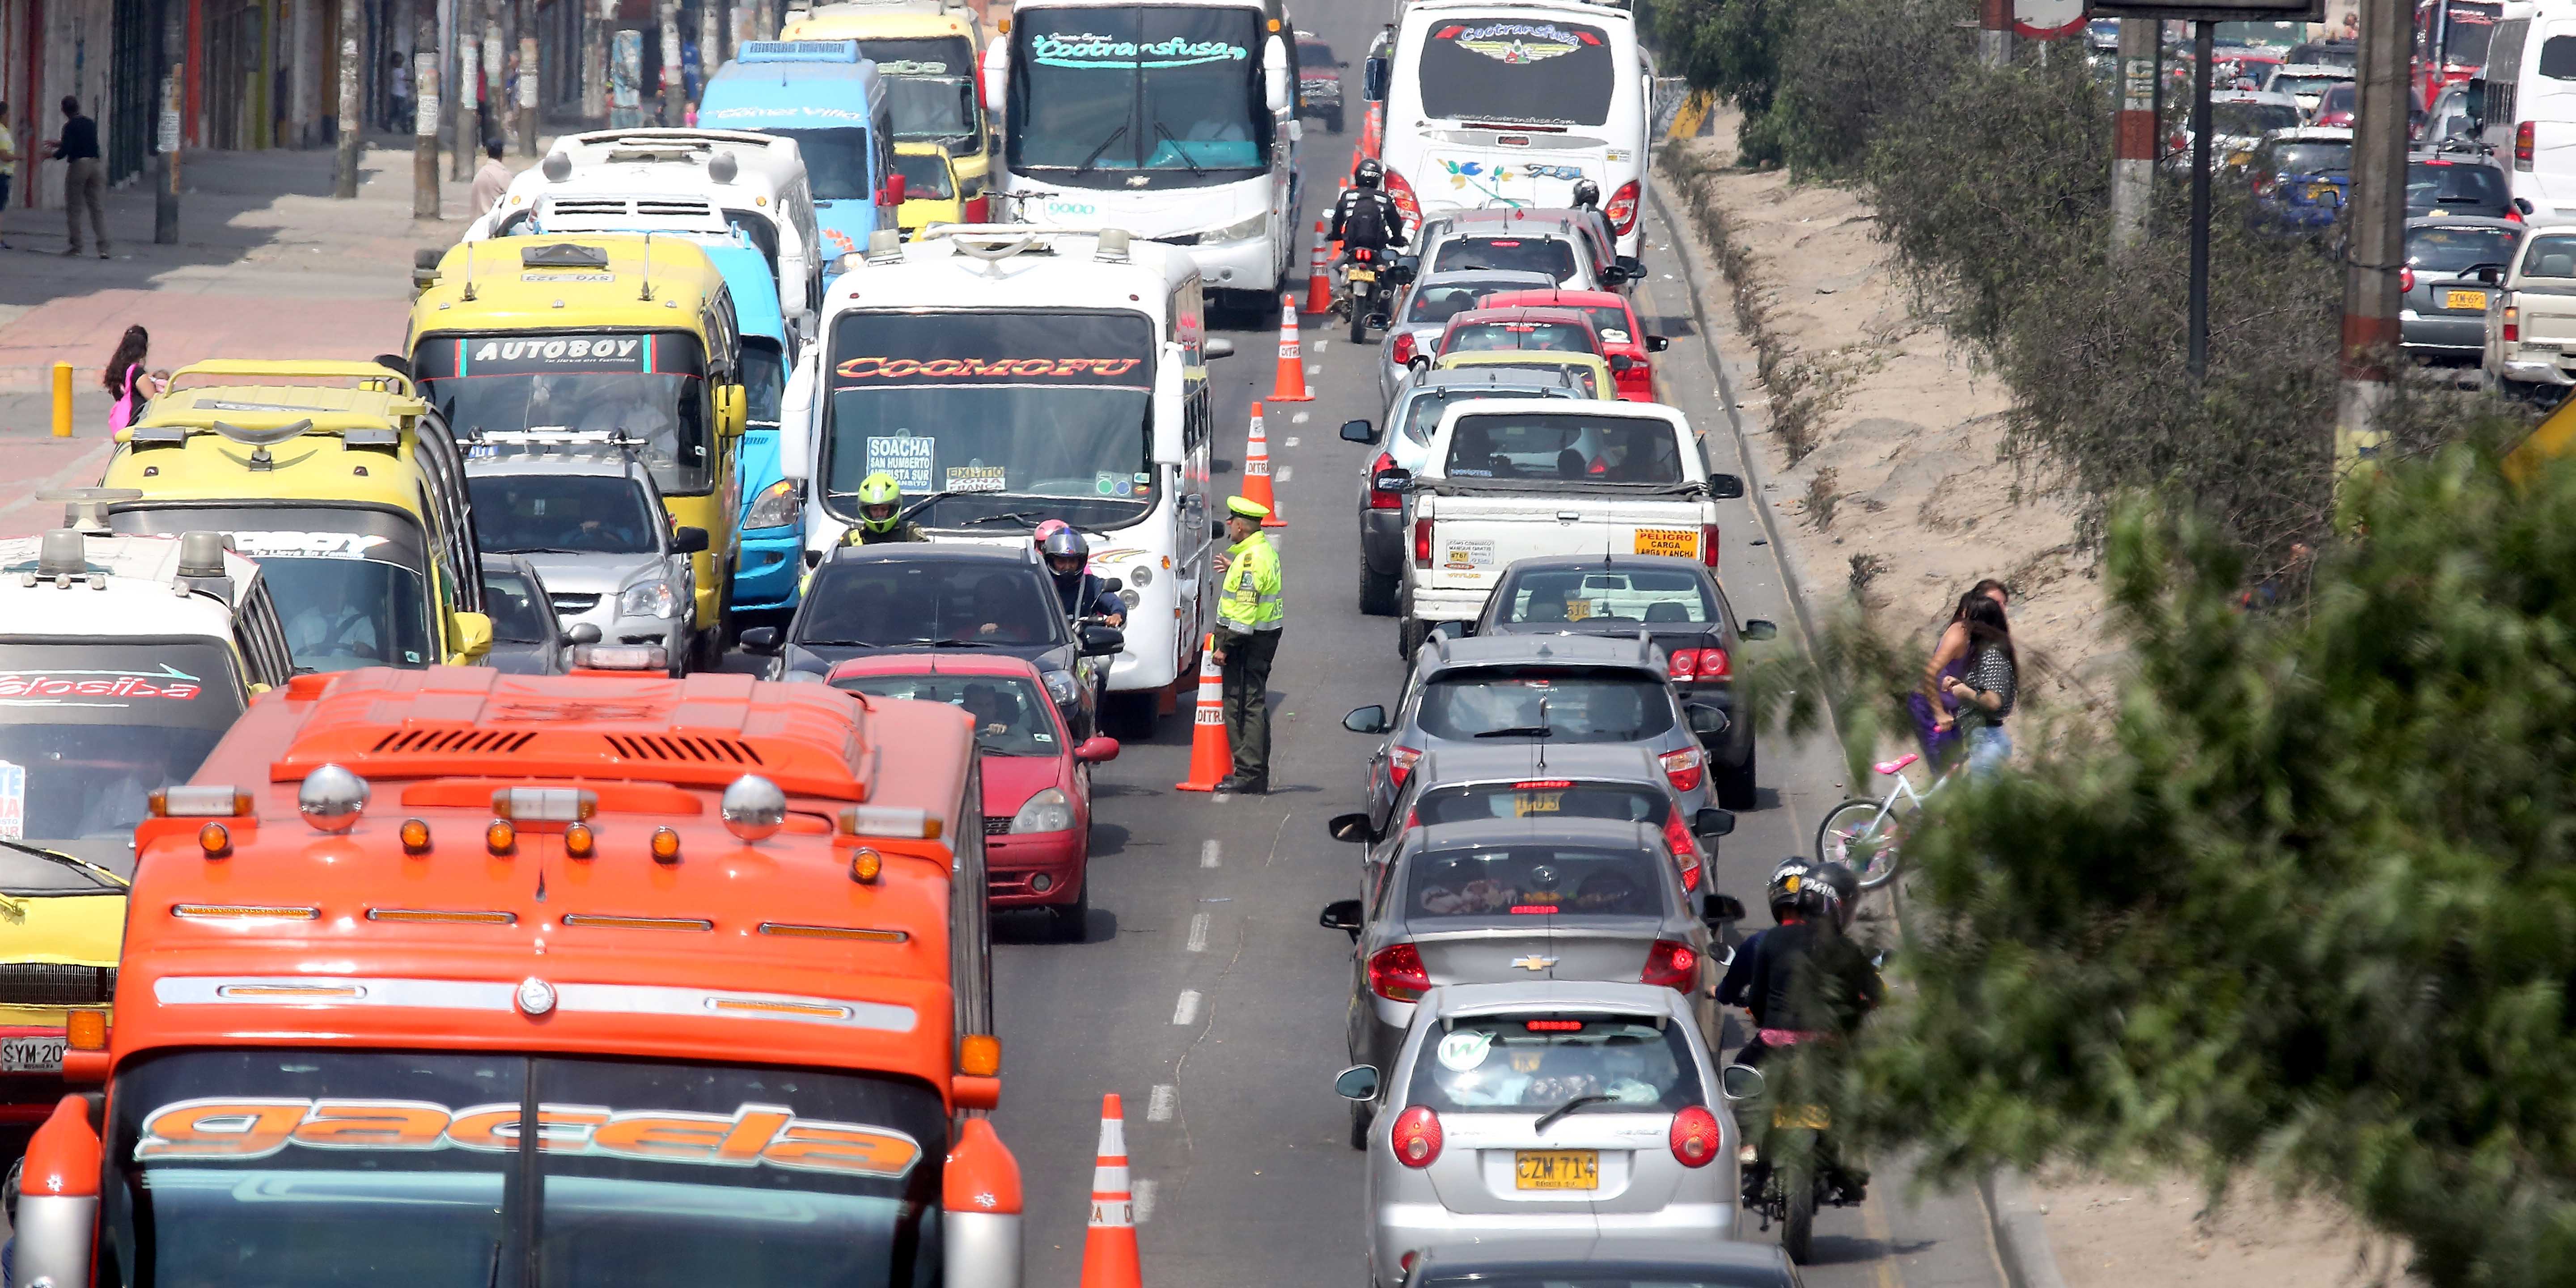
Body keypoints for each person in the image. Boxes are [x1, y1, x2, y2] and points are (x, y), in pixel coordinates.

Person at [1210, 495, 1284, 793]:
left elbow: (1243, 613)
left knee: (1244, 705)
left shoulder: (1250, 562)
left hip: (1247, 642)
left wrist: (1225, 647)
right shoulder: (1259, 553)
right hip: (1262, 638)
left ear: (1241, 526)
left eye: (1232, 521)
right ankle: (1254, 772)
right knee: (1253, 702)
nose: (1228, 525)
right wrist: (1235, 569)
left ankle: (1250, 773)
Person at [1914, 579, 2008, 764]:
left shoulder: (1987, 635)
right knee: (1946, 770)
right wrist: (1940, 714)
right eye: (1996, 603)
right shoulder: (1959, 634)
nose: (2002, 610)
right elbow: (1929, 674)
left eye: (2004, 604)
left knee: (1961, 765)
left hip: (1957, 709)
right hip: (1930, 706)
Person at [1944, 593, 2016, 776]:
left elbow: (1993, 701)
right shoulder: (1986, 652)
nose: (1964, 625)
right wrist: (1961, 685)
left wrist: (1964, 692)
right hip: (1983, 740)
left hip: (1988, 741)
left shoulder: (1992, 654)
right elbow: (1984, 690)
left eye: (1969, 620)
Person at [48, 96, 103, 258]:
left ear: (64, 111)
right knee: (97, 208)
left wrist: (50, 155)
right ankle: (104, 247)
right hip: (96, 165)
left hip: (80, 166)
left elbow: (67, 150)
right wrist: (60, 143)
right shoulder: (89, 123)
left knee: (74, 207)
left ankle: (77, 247)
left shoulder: (70, 126)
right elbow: (82, 141)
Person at [1327, 158, 1407, 266]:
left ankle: (1334, 284)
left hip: (1351, 247)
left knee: (1333, 269)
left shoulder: (1348, 196)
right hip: (1378, 248)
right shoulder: (1385, 199)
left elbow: (1338, 220)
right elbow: (1395, 222)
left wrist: (1335, 234)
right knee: (1389, 272)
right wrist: (1397, 239)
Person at [1042, 527, 1125, 627]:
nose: (1068, 567)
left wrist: (1117, 614)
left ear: (1081, 561)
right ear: (1050, 561)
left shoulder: (1092, 584)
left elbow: (1113, 601)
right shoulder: (1039, 584)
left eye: (1073, 561)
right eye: (1061, 561)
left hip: (1082, 641)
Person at [103, 325, 163, 432]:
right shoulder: (136, 372)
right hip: (136, 421)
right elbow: (153, 399)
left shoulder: (117, 370)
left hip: (124, 420)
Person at [841, 471, 928, 545]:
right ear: (867, 510)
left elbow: (928, 560)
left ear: (893, 508)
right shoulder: (854, 537)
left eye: (884, 509)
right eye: (874, 510)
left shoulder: (910, 533)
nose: (879, 514)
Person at [470, 140, 513, 216]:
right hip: (496, 224)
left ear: (487, 152)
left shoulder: (480, 174)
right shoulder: (503, 174)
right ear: (502, 153)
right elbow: (514, 196)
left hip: (478, 223)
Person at [0, 102, 18, 250]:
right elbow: (4, 156)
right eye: (7, 115)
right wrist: (19, 157)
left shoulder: (4, 131)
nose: (9, 117)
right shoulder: (1, 132)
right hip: (2, 174)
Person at [387, 52, 413, 133]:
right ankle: (404, 127)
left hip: (396, 93)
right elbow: (405, 79)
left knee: (395, 111)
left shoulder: (394, 71)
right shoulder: (399, 71)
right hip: (400, 95)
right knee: (403, 112)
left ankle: (390, 124)